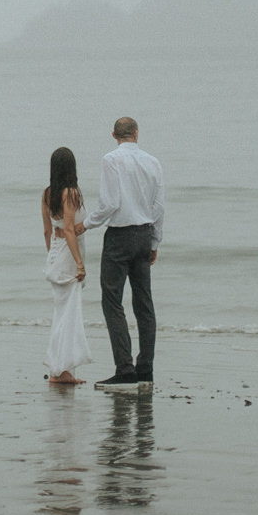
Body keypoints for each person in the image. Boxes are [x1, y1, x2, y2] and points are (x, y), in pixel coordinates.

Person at [81, 116, 163, 390]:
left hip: (119, 236)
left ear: (113, 135)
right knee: (144, 304)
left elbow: (110, 203)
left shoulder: (111, 160)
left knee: (112, 301)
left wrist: (86, 224)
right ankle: (146, 368)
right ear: (137, 134)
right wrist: (154, 243)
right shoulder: (153, 162)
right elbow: (158, 206)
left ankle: (125, 368)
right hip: (143, 234)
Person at [41, 146, 92, 385]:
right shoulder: (71, 193)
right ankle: (59, 370)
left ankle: (62, 369)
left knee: (62, 313)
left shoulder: (47, 193)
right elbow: (70, 229)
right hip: (69, 256)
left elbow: (47, 230)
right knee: (68, 315)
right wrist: (80, 264)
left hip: (55, 254)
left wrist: (51, 255)